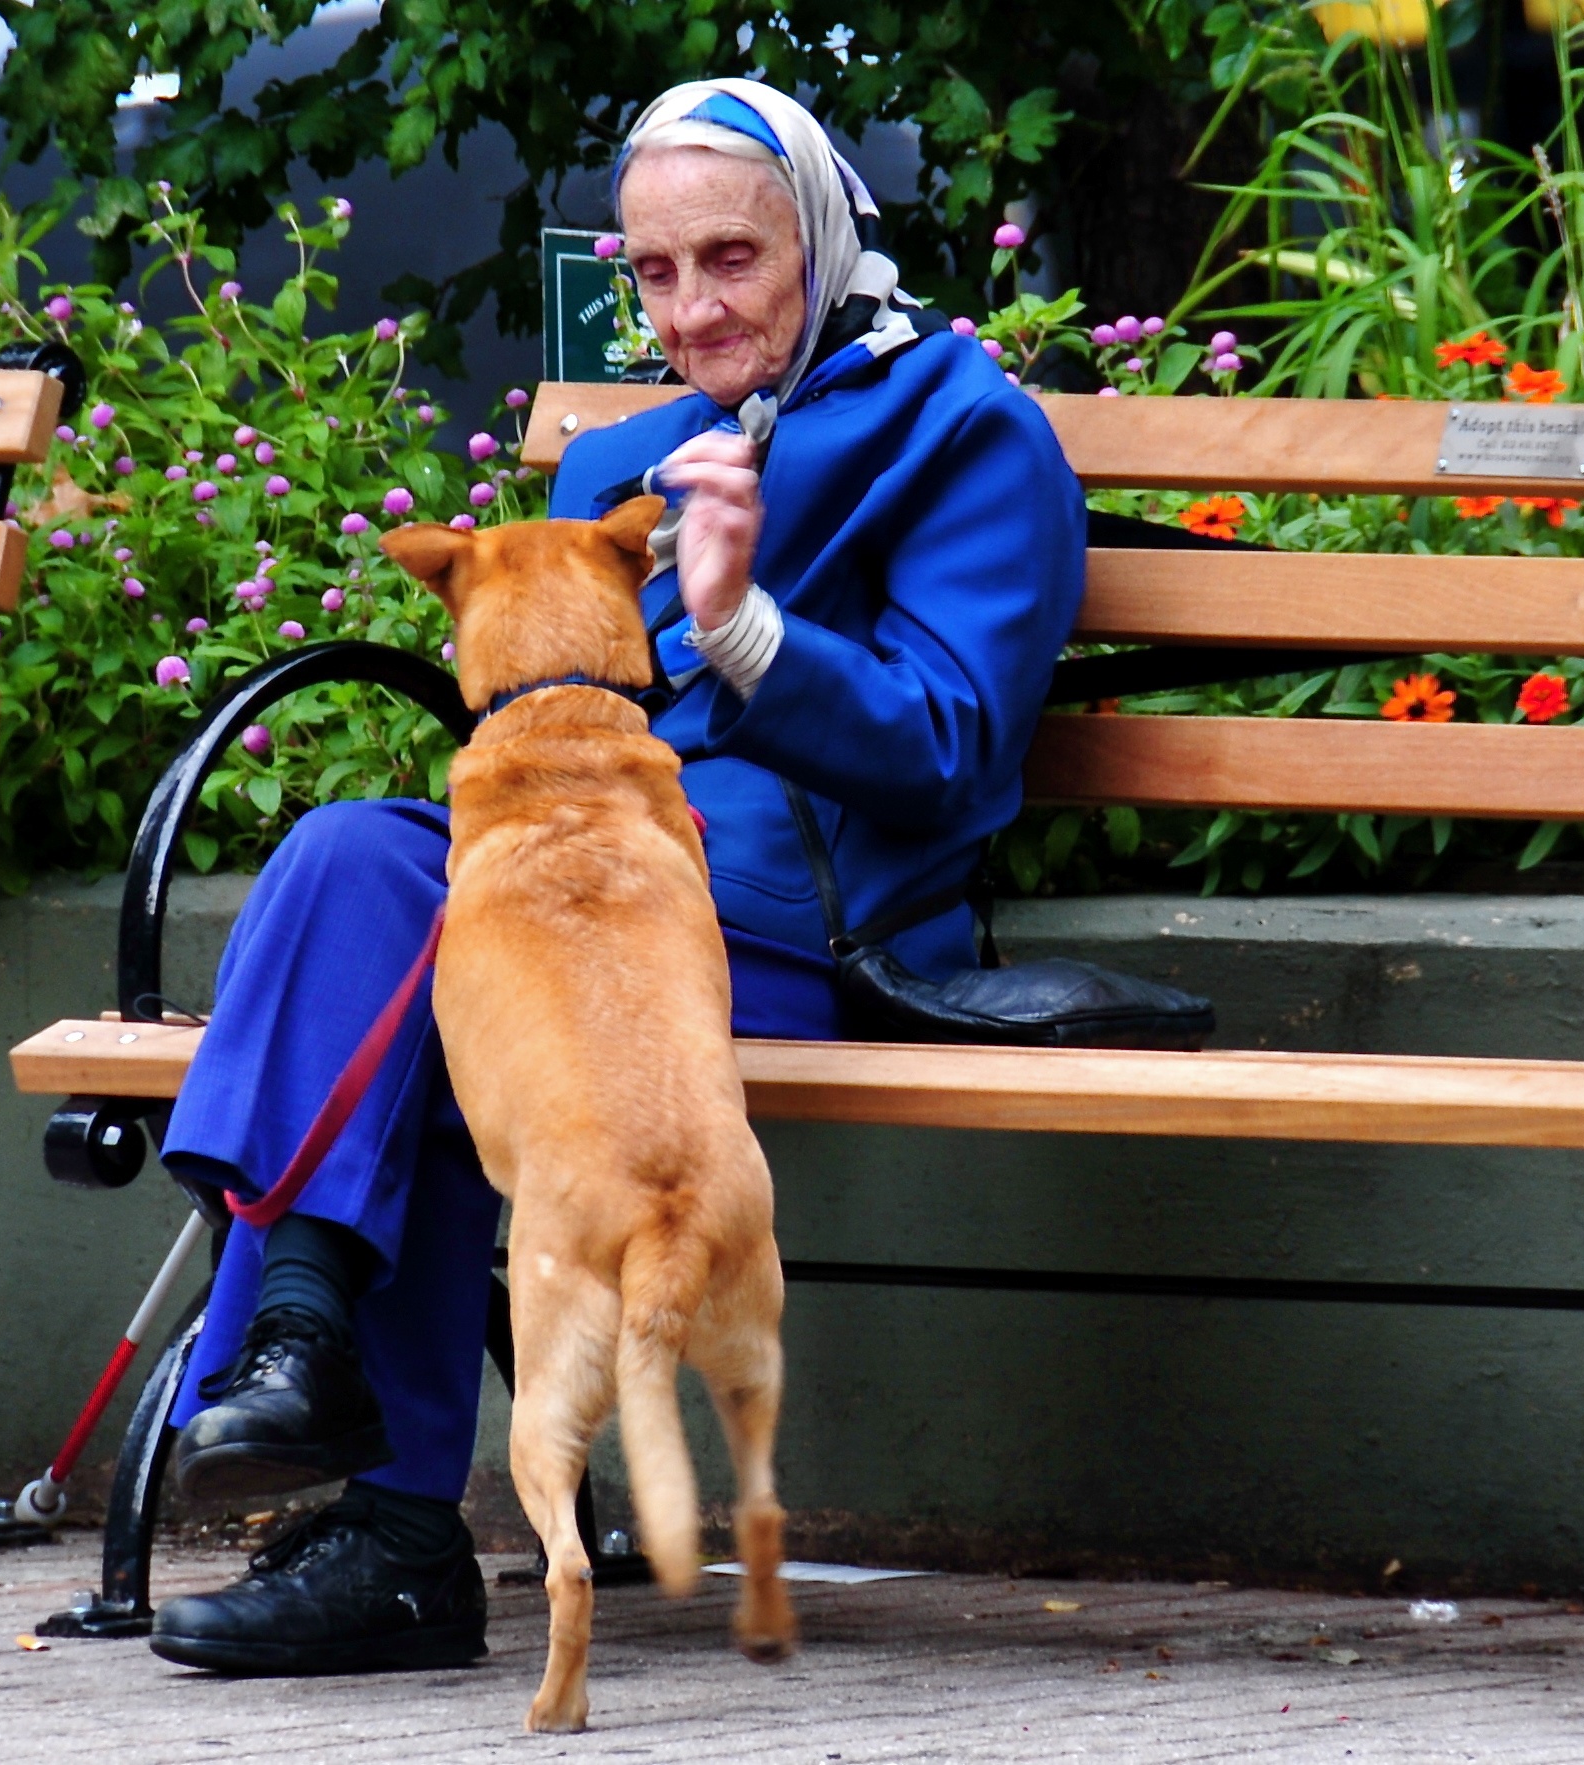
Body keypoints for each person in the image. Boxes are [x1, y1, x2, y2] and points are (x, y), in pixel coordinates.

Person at [144, 80, 1086, 1675]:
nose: (693, 308)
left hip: (771, 921)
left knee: (458, 1017)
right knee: (353, 855)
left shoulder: (968, 430)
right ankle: (305, 1336)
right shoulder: (625, 457)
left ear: (824, 234)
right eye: (653, 275)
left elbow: (954, 743)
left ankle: (389, 1526)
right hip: (566, 881)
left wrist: (742, 630)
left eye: (732, 257)